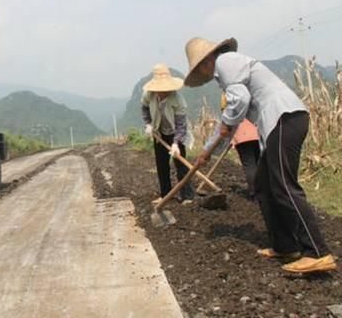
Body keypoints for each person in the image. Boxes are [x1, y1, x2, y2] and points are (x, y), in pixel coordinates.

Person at [184, 37, 336, 274]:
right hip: (278, 123)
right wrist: (206, 151)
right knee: (263, 184)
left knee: (284, 184)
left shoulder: (225, 62)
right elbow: (232, 117)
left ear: (207, 60)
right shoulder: (228, 70)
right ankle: (285, 246)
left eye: (200, 67)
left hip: (285, 117)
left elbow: (240, 101)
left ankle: (317, 251)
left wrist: (226, 124)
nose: (203, 72)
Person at [141, 63, 195, 205]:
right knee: (161, 164)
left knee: (181, 165)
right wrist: (148, 124)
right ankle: (166, 194)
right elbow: (144, 108)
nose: (161, 92)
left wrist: (176, 143)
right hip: (158, 132)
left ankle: (187, 196)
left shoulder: (177, 99)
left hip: (176, 133)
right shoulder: (149, 95)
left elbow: (181, 125)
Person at [221, 93, 260, 200]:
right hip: (255, 129)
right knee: (257, 161)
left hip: (241, 131)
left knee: (249, 164)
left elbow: (226, 115)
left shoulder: (227, 94)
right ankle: (263, 190)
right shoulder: (249, 91)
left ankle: (254, 193)